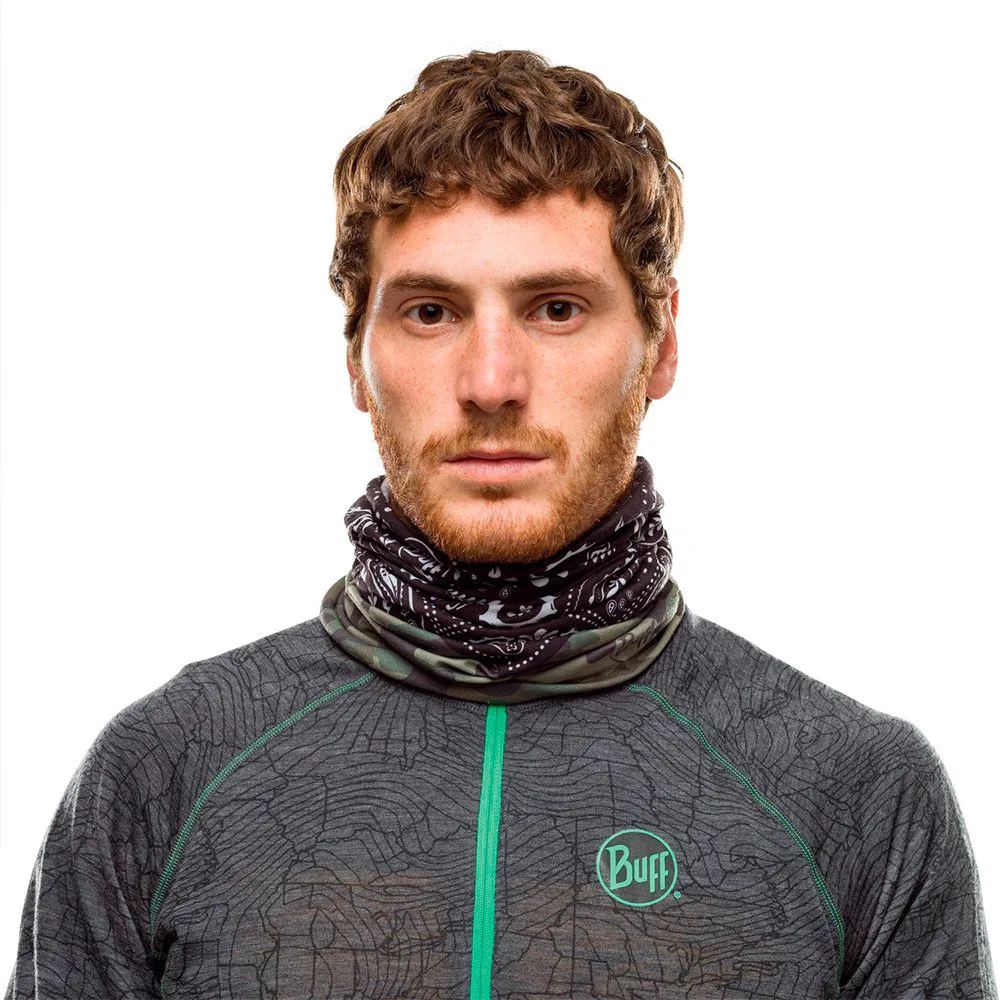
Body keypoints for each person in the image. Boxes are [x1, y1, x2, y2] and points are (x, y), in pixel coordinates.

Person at [5, 47, 996, 999]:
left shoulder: (856, 791)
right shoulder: (164, 768)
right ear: (356, 360)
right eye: (430, 312)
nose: (490, 383)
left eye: (556, 309)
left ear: (659, 345)